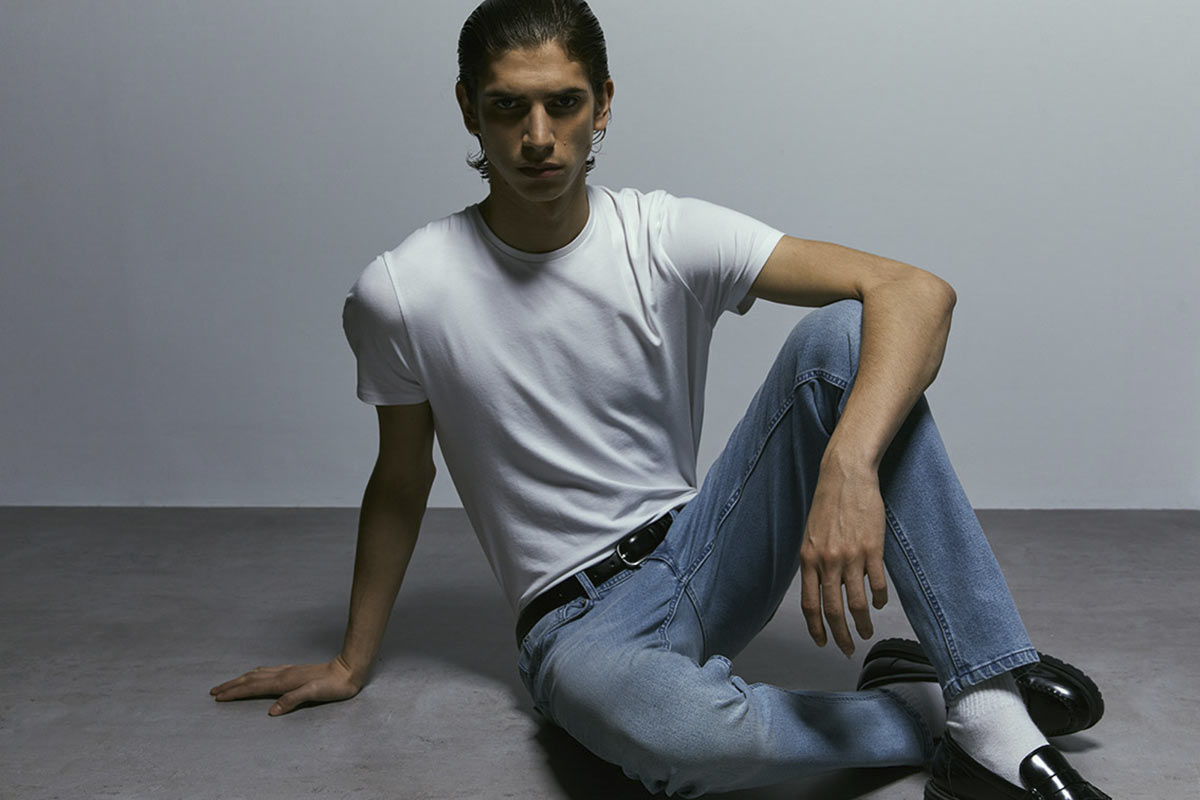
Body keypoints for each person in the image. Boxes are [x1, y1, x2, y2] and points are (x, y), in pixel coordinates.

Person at [212, 2, 1113, 797]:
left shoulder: (663, 236)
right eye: (509, 106)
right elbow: (402, 477)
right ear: (468, 110)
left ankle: (990, 709)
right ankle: (950, 708)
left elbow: (916, 292)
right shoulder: (403, 292)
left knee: (848, 335)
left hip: (703, 549)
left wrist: (847, 464)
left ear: (603, 104)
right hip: (576, 627)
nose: (538, 136)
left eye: (564, 103)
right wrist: (352, 659)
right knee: (682, 741)